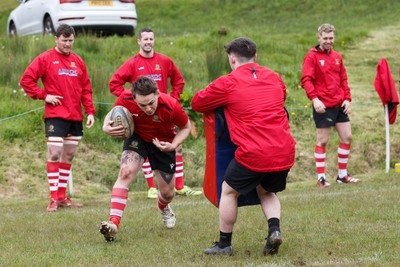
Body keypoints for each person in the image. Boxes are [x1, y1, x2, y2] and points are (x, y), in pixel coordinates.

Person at [191, 37, 296, 256]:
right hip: (284, 150)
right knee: (267, 191)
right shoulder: (275, 77)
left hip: (255, 152)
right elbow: (281, 97)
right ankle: (274, 231)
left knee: (229, 191)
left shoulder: (227, 82)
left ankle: (224, 244)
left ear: (231, 59)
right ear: (255, 57)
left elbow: (197, 103)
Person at [109, 27, 201, 199]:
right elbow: (114, 84)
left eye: (151, 39)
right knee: (144, 147)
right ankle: (152, 187)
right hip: (141, 116)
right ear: (138, 41)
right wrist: (131, 102)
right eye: (145, 39)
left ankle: (179, 186)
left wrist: (171, 99)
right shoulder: (132, 63)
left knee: (176, 146)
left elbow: (178, 81)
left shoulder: (165, 61)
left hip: (163, 113)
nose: (148, 42)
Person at [99, 76, 191, 242]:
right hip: (138, 138)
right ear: (134, 98)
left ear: (157, 94)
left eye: (151, 103)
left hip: (163, 143)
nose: (148, 108)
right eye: (142, 105)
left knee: (168, 193)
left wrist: (174, 145)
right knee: (125, 173)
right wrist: (106, 126)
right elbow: (113, 113)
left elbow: (186, 127)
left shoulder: (171, 106)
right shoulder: (126, 98)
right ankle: (113, 224)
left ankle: (163, 207)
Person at [20, 24, 96, 212]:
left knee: (68, 156)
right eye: (64, 40)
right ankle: (53, 198)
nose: (68, 44)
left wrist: (91, 111)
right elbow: (26, 80)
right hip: (55, 115)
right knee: (54, 153)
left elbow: (86, 88)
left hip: (75, 116)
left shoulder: (78, 61)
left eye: (71, 41)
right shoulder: (45, 58)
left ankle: (62, 197)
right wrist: (44, 95)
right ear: (56, 39)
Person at [301, 23, 361, 188]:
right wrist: (314, 99)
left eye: (331, 38)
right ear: (319, 38)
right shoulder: (311, 57)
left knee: (347, 137)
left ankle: (342, 176)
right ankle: (321, 178)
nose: (328, 41)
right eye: (325, 38)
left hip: (339, 104)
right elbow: (306, 80)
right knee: (323, 140)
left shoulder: (337, 56)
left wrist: (347, 99)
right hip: (323, 106)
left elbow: (343, 79)